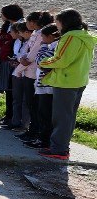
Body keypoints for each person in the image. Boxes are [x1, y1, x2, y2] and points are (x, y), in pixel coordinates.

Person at [37, 9, 97, 160]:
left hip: (66, 81)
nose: (56, 25)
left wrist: (43, 63)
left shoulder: (70, 37)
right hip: (78, 80)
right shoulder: (86, 36)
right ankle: (62, 146)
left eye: (57, 21)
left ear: (64, 22)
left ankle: (58, 149)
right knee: (68, 116)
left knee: (61, 117)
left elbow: (61, 59)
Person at [23, 25, 61, 150]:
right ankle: (41, 138)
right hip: (43, 86)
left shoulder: (54, 47)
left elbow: (41, 61)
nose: (42, 40)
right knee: (42, 113)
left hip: (47, 87)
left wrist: (43, 46)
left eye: (43, 37)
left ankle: (44, 140)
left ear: (50, 36)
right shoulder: (52, 46)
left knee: (45, 115)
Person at [0, 4, 25, 127]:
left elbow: (9, 42)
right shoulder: (8, 26)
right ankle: (8, 116)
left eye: (2, 13)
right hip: (7, 59)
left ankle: (14, 118)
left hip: (15, 60)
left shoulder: (21, 25)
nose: (1, 16)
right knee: (9, 90)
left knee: (14, 92)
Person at [8, 22, 31, 129]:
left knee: (25, 101)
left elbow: (26, 58)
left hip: (26, 73)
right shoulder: (18, 42)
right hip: (16, 72)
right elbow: (19, 56)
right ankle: (15, 121)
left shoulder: (31, 42)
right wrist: (14, 59)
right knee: (16, 99)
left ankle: (24, 124)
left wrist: (18, 59)